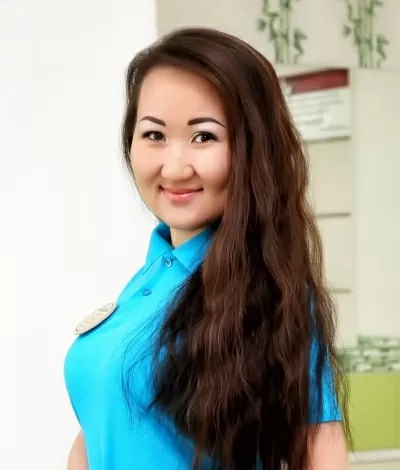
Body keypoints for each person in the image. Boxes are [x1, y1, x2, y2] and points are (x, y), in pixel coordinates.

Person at [64, 27, 351, 470]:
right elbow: (98, 430)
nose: (175, 167)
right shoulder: (146, 282)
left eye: (204, 137)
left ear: (251, 151)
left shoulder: (271, 294)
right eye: (154, 135)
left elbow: (320, 455)